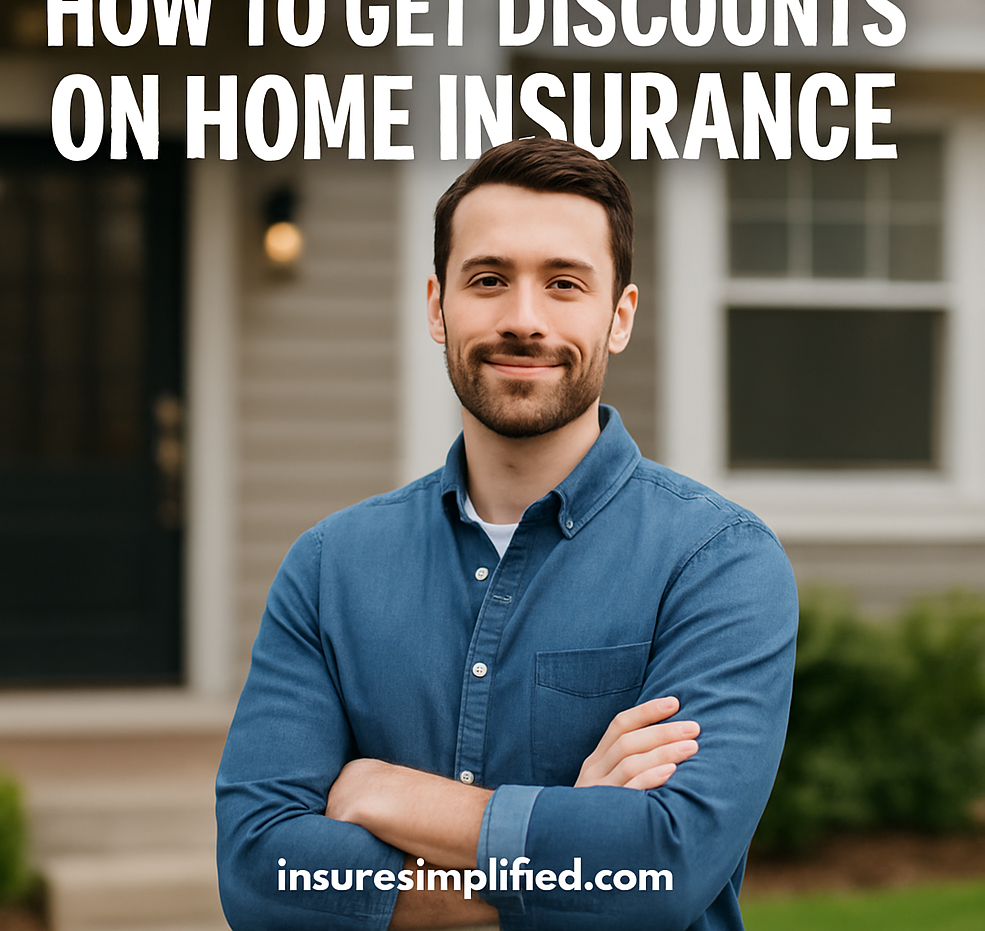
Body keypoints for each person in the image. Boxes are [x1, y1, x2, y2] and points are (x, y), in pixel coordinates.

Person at [216, 138, 798, 931]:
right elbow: (261, 872)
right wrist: (570, 848)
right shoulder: (330, 569)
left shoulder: (716, 562)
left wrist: (396, 797)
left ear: (619, 316)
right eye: (488, 280)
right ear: (436, 306)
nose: (524, 320)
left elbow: (664, 868)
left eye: (564, 284)